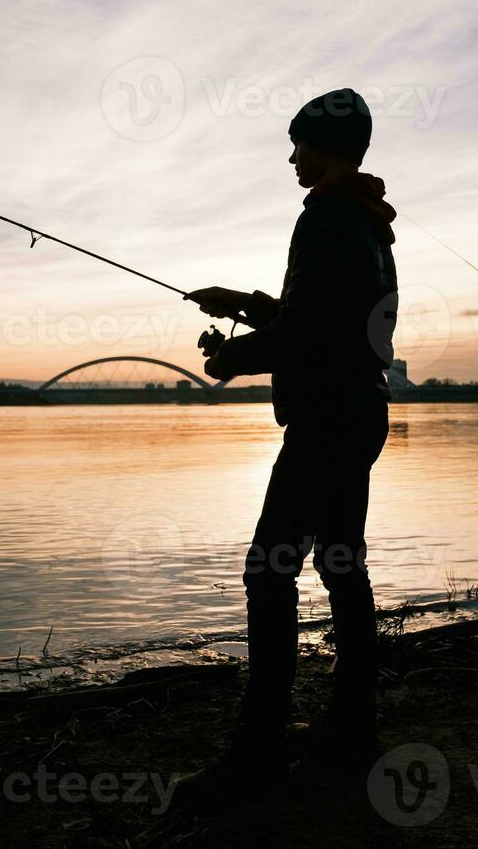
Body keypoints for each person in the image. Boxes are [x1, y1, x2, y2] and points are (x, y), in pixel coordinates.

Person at [176, 87, 399, 799]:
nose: (292, 156)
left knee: (269, 571)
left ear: (327, 148)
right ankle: (350, 732)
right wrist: (244, 306)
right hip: (357, 410)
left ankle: (257, 753)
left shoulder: (329, 217)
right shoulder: (368, 222)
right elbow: (324, 315)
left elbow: (309, 333)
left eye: (300, 143)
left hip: (329, 418)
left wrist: (233, 358)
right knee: (340, 565)